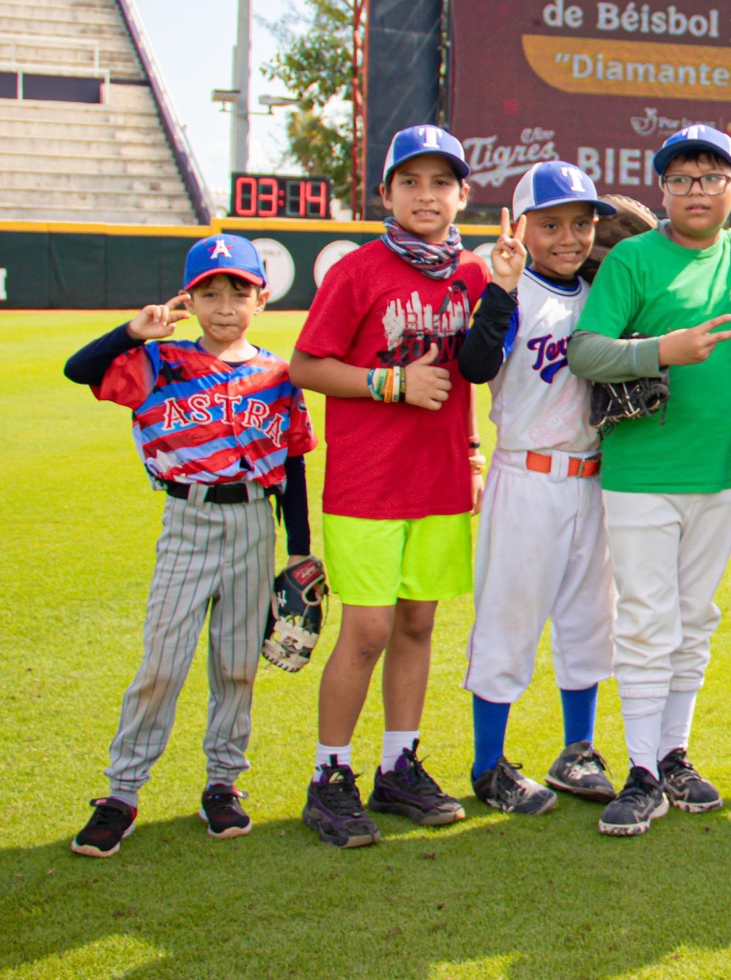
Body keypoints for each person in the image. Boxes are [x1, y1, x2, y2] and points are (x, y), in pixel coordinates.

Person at [566, 124, 731, 835]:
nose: (695, 190)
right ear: (662, 190)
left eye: (710, 177)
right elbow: (585, 351)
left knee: (695, 617)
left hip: (722, 469)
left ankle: (673, 751)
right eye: (680, 179)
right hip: (642, 469)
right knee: (646, 617)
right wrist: (658, 351)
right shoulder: (635, 258)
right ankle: (641, 767)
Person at [66, 235, 315, 856]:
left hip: (256, 524)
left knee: (237, 663)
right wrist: (133, 331)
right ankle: (122, 791)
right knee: (162, 661)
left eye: (238, 291)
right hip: (188, 521)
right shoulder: (159, 362)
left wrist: (299, 551)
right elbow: (80, 370)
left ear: (261, 297)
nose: (224, 305)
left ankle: (223, 783)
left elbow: (293, 465)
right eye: (209, 292)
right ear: (190, 299)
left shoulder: (278, 375)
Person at [292, 125, 489, 848]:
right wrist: (389, 381)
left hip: (437, 480)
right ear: (386, 193)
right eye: (411, 182)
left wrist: (470, 453)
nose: (427, 195)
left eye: (442, 182)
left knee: (417, 624)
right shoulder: (359, 270)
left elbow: (469, 380)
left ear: (462, 194)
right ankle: (328, 775)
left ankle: (398, 763)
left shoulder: (471, 273)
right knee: (368, 628)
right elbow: (306, 366)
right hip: (367, 483)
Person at [455, 162, 622, 816]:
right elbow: (473, 366)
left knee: (590, 623)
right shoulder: (511, 290)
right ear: (519, 227)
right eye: (550, 223)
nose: (568, 236)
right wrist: (499, 287)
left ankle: (577, 750)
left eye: (580, 223)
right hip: (526, 476)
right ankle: (487, 765)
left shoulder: (602, 292)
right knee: (509, 620)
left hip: (594, 481)